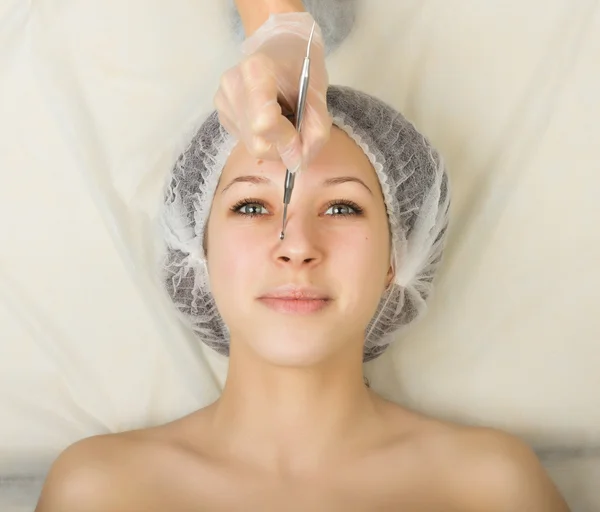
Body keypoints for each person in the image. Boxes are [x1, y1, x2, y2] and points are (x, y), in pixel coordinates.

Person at [35, 79, 570, 510]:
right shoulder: (100, 491)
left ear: (396, 258)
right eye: (250, 207)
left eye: (342, 208)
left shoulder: (492, 488)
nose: (297, 247)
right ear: (199, 250)